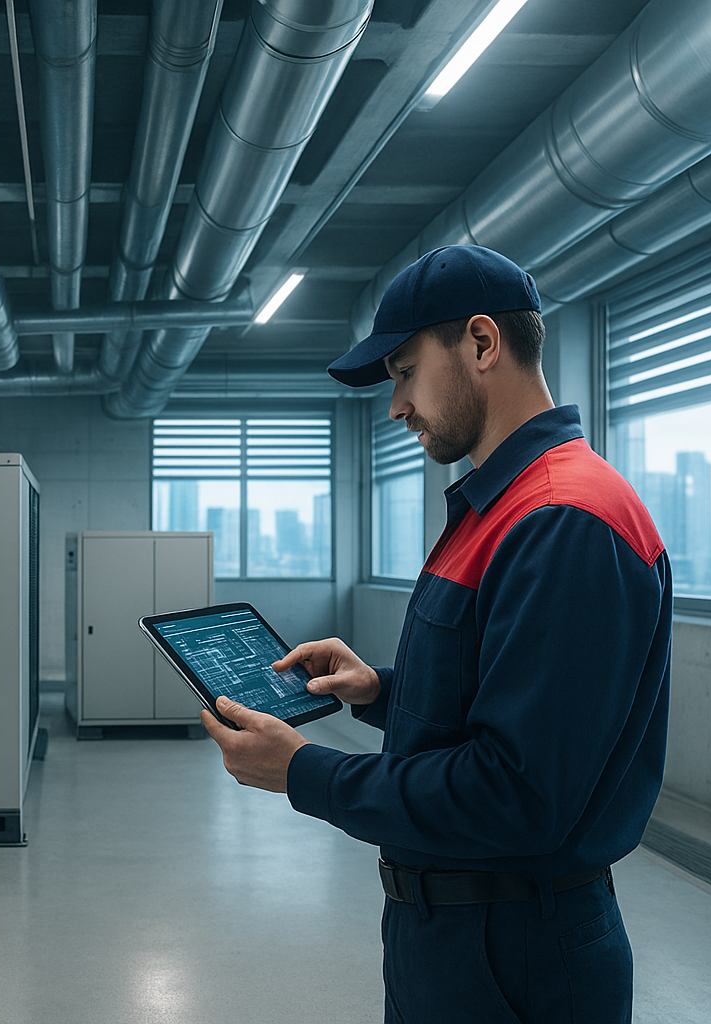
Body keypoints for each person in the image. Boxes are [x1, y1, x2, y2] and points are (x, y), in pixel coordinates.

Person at [200, 245, 671, 1023]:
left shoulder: (565, 521)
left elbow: (517, 794)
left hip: (514, 952)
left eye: (405, 371)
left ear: (483, 343)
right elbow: (494, 691)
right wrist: (382, 689)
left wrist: (306, 774)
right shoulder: (504, 507)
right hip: (450, 932)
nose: (396, 406)